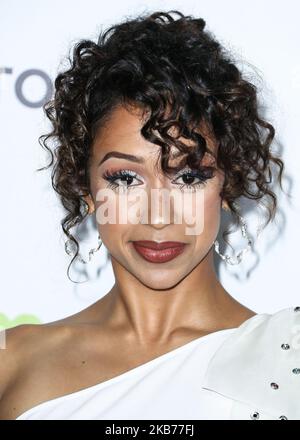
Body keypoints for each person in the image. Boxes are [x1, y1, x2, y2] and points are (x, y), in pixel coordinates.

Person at [0, 10, 298, 421]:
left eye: (189, 176)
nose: (159, 216)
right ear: (85, 189)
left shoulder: (290, 360)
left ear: (228, 187)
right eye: (125, 178)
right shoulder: (9, 360)